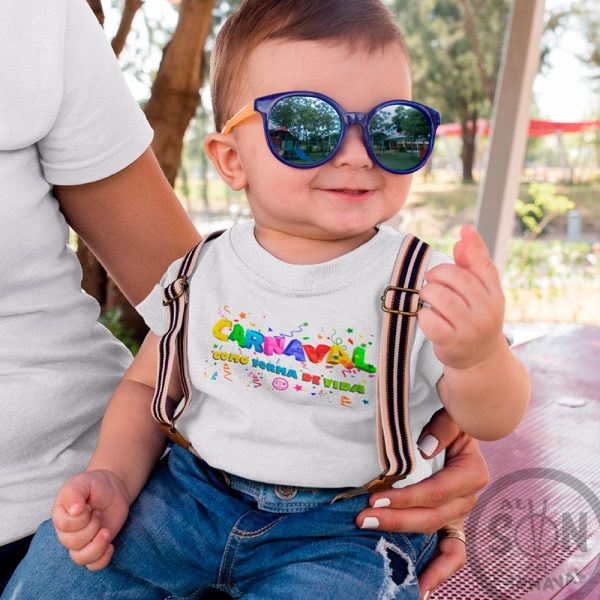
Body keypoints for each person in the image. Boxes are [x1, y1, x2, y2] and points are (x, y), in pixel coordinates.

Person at [1, 0, 496, 597]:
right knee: (61, 578)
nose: (358, 151)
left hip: (346, 526)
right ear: (231, 159)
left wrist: (478, 359)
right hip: (191, 496)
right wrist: (111, 475)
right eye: (309, 127)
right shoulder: (201, 270)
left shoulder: (421, 280)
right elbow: (145, 385)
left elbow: (489, 418)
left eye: (394, 128)